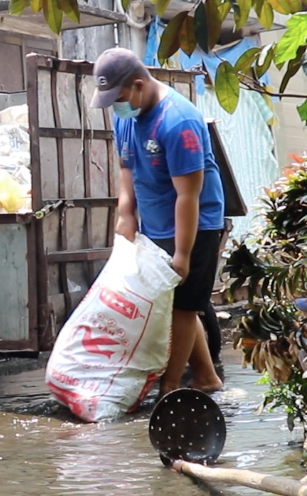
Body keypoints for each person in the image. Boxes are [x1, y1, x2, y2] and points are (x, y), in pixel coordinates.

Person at [91, 47, 224, 393]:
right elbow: (126, 166)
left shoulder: (178, 121)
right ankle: (206, 378)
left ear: (138, 85)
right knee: (175, 304)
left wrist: (182, 253)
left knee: (181, 307)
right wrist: (125, 213)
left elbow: (188, 195)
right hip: (153, 223)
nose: (114, 106)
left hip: (194, 224)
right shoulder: (126, 113)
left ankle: (171, 387)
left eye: (118, 97)